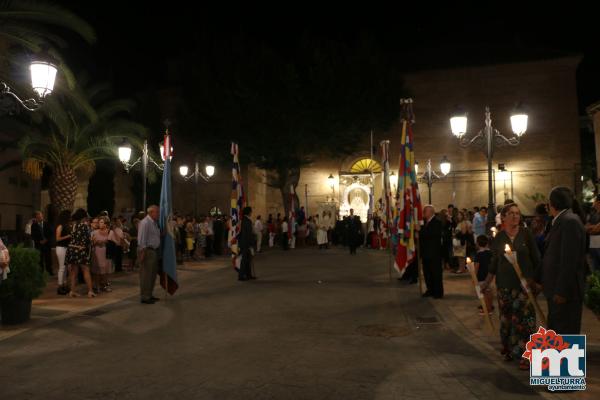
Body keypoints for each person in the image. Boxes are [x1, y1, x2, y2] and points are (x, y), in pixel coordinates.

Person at [481, 203, 540, 370]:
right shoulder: (499, 237)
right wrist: (485, 283)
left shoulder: (526, 234)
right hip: (504, 286)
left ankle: (526, 355)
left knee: (525, 321)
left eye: (517, 213)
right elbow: (494, 263)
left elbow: (537, 259)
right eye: (511, 213)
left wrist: (537, 282)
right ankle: (509, 349)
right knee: (506, 319)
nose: (515, 216)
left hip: (524, 286)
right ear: (504, 217)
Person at [540, 187, 587, 334]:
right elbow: (550, 254)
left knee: (566, 332)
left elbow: (569, 259)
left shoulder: (569, 221)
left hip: (565, 293)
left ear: (551, 204)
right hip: (555, 289)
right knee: (558, 331)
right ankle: (559, 358)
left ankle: (567, 358)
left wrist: (562, 291)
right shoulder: (562, 220)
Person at [65, 209, 95, 298]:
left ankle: (72, 291)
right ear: (83, 217)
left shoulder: (72, 226)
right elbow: (87, 240)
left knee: (74, 272)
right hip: (81, 250)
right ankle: (90, 291)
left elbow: (71, 237)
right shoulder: (84, 226)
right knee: (85, 270)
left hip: (72, 250)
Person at [137, 205, 161, 304]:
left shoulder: (154, 223)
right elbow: (141, 238)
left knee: (152, 275)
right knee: (146, 275)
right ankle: (145, 296)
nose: (159, 214)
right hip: (147, 251)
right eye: (157, 212)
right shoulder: (145, 223)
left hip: (154, 251)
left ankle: (149, 294)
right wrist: (142, 253)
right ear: (151, 212)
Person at [420, 205, 444, 298]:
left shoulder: (437, 222)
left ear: (430, 212)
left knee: (436, 273)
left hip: (434, 253)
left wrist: (420, 231)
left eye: (425, 211)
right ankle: (430, 290)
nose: (423, 213)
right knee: (427, 273)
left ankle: (438, 292)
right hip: (426, 253)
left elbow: (432, 235)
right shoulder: (426, 222)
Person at [91, 216, 113, 293]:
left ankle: (104, 285)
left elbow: (109, 241)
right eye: (99, 222)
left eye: (101, 222)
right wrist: (95, 242)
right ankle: (96, 286)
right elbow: (91, 243)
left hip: (106, 253)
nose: (99, 224)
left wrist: (100, 242)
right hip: (97, 252)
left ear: (106, 224)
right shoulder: (94, 232)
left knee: (105, 270)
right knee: (97, 270)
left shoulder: (110, 232)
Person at [474, 235, 494, 315]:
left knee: (483, 293)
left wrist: (474, 277)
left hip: (481, 276)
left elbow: (476, 266)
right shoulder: (490, 253)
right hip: (489, 275)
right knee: (489, 292)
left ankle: (487, 309)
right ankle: (489, 307)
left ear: (478, 244)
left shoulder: (478, 254)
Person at [55, 210, 72, 295]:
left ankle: (64, 285)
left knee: (65, 268)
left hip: (66, 247)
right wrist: (68, 236)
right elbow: (57, 239)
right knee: (62, 267)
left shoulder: (66, 226)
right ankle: (60, 286)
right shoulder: (60, 226)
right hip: (61, 248)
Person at [31, 210, 53, 275]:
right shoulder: (34, 225)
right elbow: (33, 236)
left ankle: (49, 271)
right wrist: (39, 241)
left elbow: (51, 233)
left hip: (47, 244)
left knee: (48, 258)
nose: (40, 217)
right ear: (36, 217)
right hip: (39, 245)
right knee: (40, 259)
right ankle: (41, 272)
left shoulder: (47, 224)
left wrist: (46, 239)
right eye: (38, 216)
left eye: (41, 216)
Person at [238, 206, 255, 281]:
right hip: (246, 243)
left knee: (248, 259)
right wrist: (250, 243)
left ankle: (248, 275)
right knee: (244, 260)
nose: (252, 213)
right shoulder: (247, 221)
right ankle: (241, 276)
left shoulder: (244, 220)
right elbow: (248, 234)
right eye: (251, 211)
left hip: (244, 243)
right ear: (248, 212)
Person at [585, 195, 600, 272]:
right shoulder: (593, 214)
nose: (593, 202)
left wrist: (591, 228)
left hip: (598, 242)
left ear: (598, 202)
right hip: (593, 242)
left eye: (594, 200)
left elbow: (597, 229)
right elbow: (586, 227)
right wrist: (593, 228)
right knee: (594, 266)